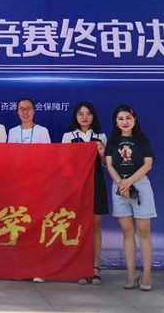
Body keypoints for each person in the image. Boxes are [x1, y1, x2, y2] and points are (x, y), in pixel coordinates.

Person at [105, 105, 156, 291]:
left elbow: (148, 164)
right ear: (116, 122)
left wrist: (130, 182)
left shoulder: (143, 140)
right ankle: (131, 274)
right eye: (120, 119)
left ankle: (147, 274)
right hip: (119, 186)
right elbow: (109, 164)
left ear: (134, 120)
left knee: (143, 231)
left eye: (128, 118)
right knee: (127, 231)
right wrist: (121, 183)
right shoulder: (112, 141)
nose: (125, 122)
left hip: (139, 185)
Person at [62, 102, 108, 285]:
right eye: (81, 114)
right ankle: (81, 268)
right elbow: (64, 164)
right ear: (76, 116)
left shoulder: (101, 136)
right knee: (79, 226)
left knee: (95, 225)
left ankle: (95, 267)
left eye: (88, 113)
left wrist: (102, 154)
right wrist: (73, 182)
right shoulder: (68, 136)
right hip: (76, 186)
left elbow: (106, 164)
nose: (84, 117)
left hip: (96, 184)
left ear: (93, 116)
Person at [6, 97, 51, 283]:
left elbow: (48, 158)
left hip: (37, 185)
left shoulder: (42, 131)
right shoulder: (12, 132)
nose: (25, 112)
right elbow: (8, 159)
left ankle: (39, 269)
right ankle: (20, 268)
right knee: (19, 226)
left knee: (37, 227)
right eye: (21, 109)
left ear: (34, 111)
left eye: (28, 109)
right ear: (17, 112)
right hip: (17, 186)